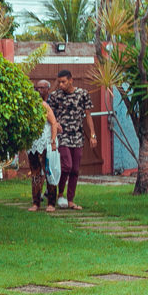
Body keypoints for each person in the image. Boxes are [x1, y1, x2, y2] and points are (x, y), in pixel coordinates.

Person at [47, 69, 96, 210]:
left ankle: (70, 200)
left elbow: (88, 115)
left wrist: (93, 135)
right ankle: (60, 193)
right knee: (66, 165)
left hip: (78, 135)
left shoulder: (82, 94)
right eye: (59, 82)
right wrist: (55, 124)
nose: (61, 85)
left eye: (63, 82)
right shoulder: (56, 96)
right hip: (63, 135)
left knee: (75, 169)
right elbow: (50, 114)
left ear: (71, 80)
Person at [27, 79, 60, 213]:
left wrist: (53, 141)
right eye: (37, 88)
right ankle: (36, 203)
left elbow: (53, 123)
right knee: (35, 174)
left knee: (48, 172)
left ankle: (51, 203)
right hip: (33, 144)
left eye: (42, 88)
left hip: (46, 142)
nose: (39, 90)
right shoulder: (28, 107)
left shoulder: (44, 106)